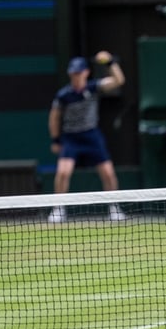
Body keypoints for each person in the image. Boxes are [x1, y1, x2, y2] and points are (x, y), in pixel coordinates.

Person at [47, 51, 126, 223]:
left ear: (86, 72)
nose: (75, 76)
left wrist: (110, 62)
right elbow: (54, 117)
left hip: (91, 135)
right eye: (73, 73)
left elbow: (119, 80)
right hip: (71, 138)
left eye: (78, 72)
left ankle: (114, 207)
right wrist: (55, 139)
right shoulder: (63, 95)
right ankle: (58, 208)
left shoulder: (94, 87)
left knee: (108, 173)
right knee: (62, 173)